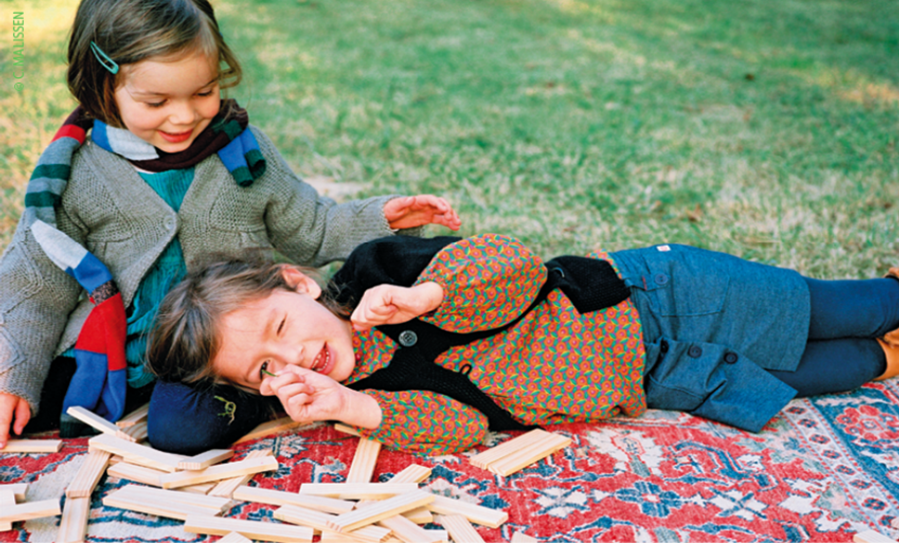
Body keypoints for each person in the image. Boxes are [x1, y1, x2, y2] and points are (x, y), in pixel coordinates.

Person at [0, 0, 462, 451]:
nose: (183, 116)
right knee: (25, 406)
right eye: (156, 101)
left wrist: (382, 217)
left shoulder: (240, 151)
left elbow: (310, 227)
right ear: (102, 86)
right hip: (122, 350)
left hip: (235, 351)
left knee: (181, 430)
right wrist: (14, 377)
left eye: (202, 92)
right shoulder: (79, 174)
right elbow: (36, 282)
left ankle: (271, 384)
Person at [145, 233, 900, 456]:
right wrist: (350, 404)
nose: (294, 361)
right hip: (651, 375)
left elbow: (515, 266)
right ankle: (890, 355)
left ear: (299, 284)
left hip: (651, 295)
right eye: (265, 371)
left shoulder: (385, 277)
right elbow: (465, 428)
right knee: (819, 369)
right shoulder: (364, 402)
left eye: (281, 331)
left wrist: (428, 295)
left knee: (829, 308)